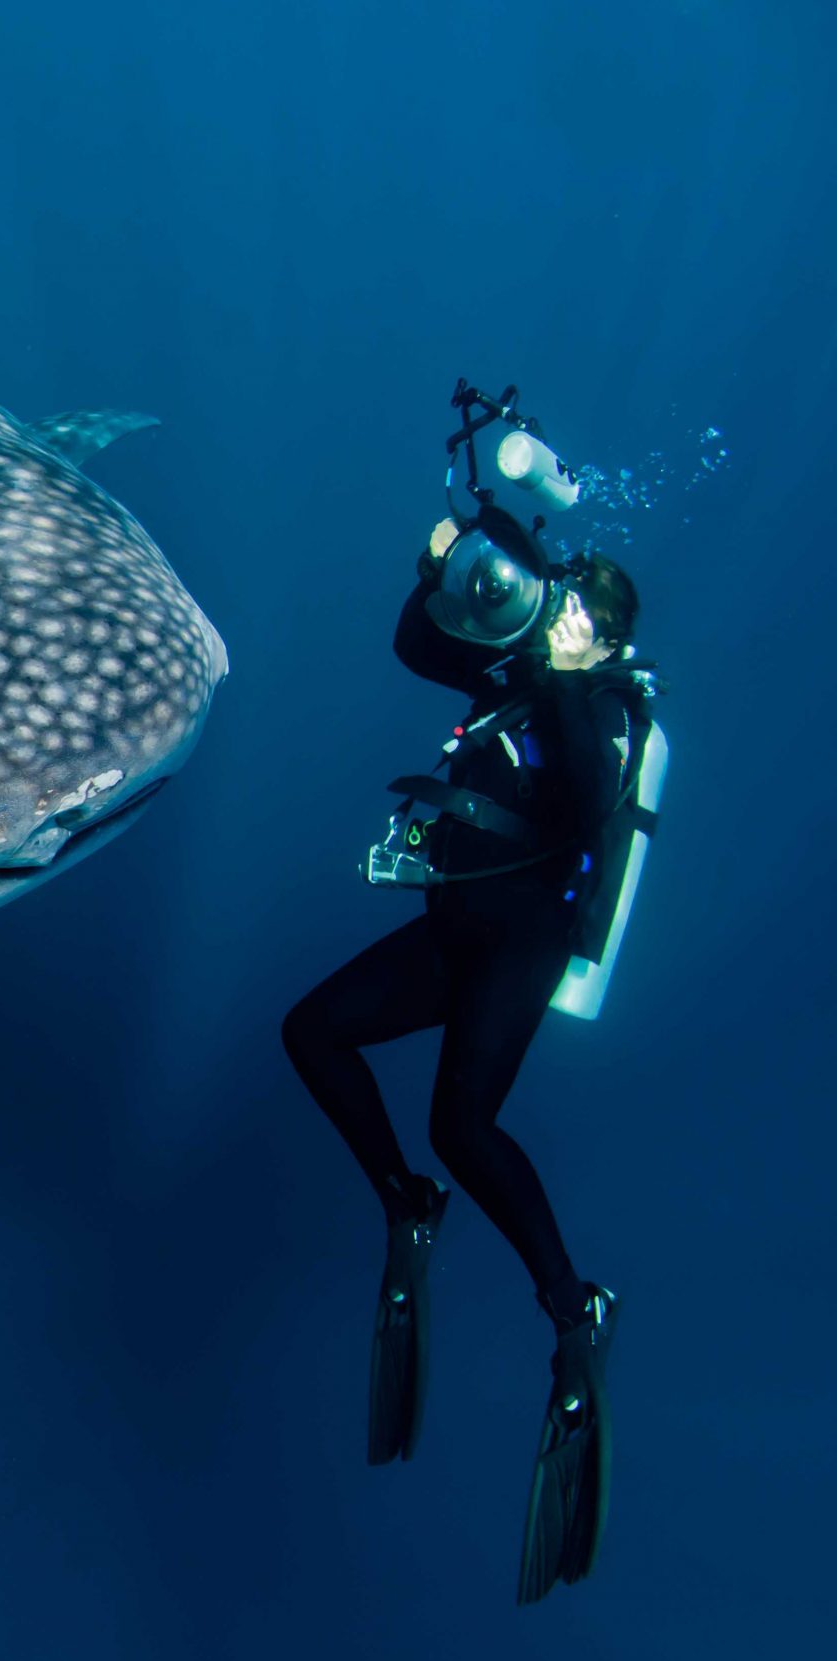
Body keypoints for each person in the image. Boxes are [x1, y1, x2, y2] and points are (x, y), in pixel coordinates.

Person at [281, 543, 649, 1605]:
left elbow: (584, 806)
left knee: (462, 1120)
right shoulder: (519, 673)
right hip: (449, 931)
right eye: (558, 608)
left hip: (515, 946)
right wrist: (445, 571)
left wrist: (574, 676)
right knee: (309, 1031)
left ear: (610, 635)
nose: (556, 624)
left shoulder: (605, 707)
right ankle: (406, 1202)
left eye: (577, 615)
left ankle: (573, 1306)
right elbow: (413, 642)